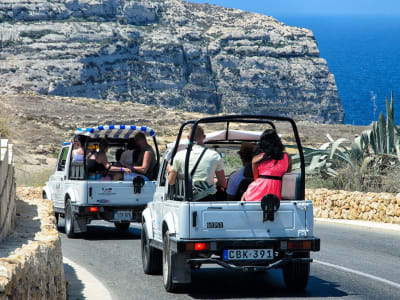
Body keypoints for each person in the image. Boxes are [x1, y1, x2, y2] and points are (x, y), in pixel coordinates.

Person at [167, 125, 226, 201]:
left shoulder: (179, 155)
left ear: (188, 138)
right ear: (204, 137)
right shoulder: (214, 155)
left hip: (186, 200)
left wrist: (170, 169)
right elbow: (223, 183)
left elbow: (171, 182)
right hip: (208, 200)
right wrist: (213, 182)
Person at [241, 129, 292, 202]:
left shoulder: (257, 159)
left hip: (258, 192)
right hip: (277, 194)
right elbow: (286, 177)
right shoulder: (287, 157)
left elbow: (256, 179)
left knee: (244, 196)